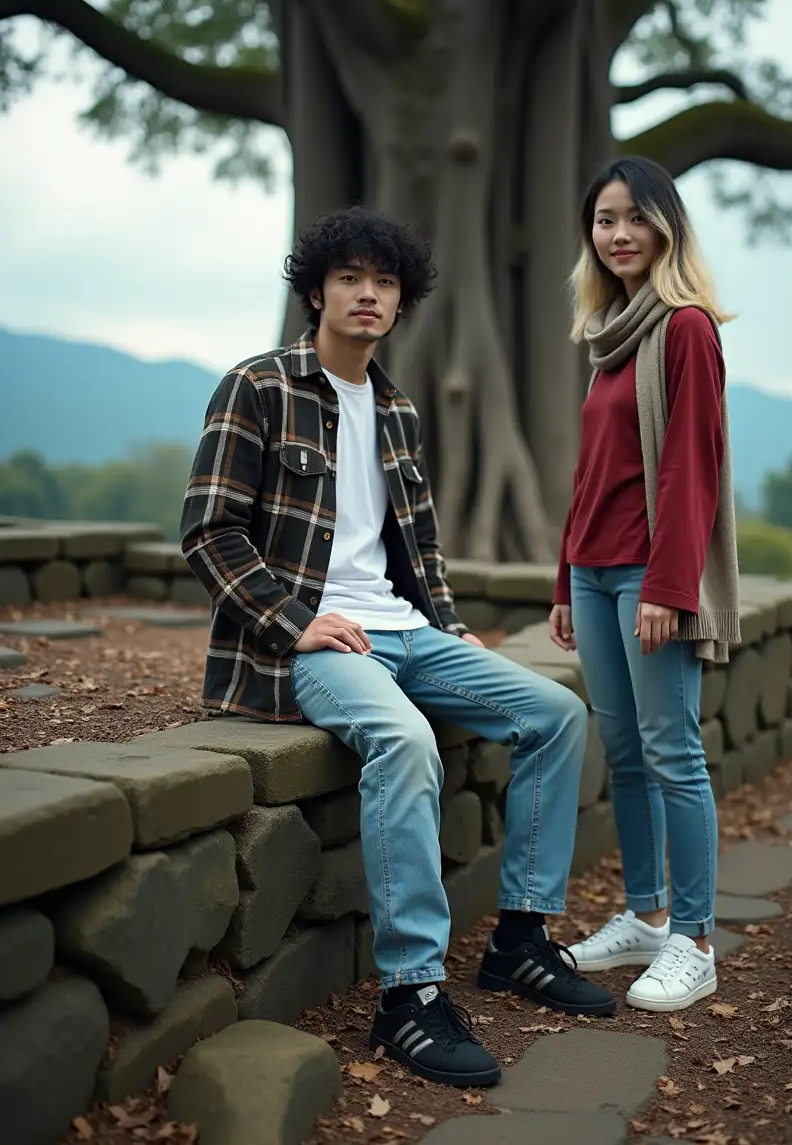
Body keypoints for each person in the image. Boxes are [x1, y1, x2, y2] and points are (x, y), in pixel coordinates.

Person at [181, 206, 615, 1089]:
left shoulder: (396, 408)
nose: (368, 294)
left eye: (384, 282)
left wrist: (447, 624)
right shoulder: (257, 387)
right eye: (350, 278)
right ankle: (409, 999)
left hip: (406, 634)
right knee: (406, 742)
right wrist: (293, 618)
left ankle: (521, 942)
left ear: (402, 300)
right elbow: (209, 530)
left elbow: (413, 550)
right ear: (316, 292)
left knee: (556, 713)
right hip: (311, 644)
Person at [550, 156, 741, 1013]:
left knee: (673, 753)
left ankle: (695, 940)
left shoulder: (686, 329)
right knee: (623, 753)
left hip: (647, 574)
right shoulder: (612, 332)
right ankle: (646, 915)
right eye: (603, 220)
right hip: (593, 572)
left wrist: (670, 586)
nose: (618, 234)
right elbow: (593, 470)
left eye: (634, 217)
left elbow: (690, 469)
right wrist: (565, 579)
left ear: (666, 224)